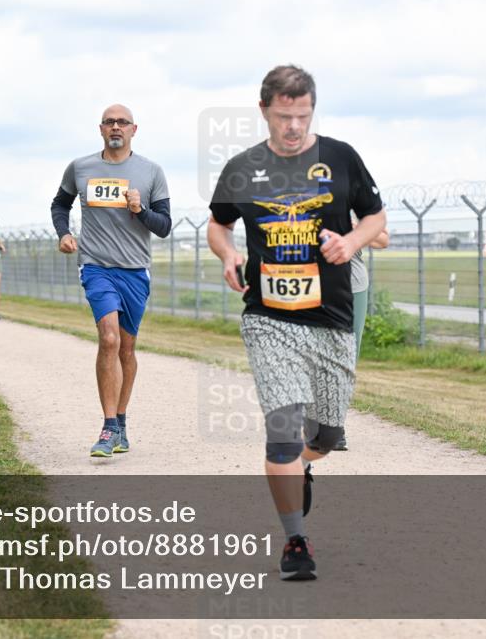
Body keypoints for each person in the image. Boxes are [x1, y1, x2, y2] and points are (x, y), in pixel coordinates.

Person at [206, 65, 386, 580]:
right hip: (269, 319)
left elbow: (376, 217)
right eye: (284, 116)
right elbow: (218, 223)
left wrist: (351, 242)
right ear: (264, 110)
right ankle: (295, 541)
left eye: (302, 116)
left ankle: (306, 463)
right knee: (282, 434)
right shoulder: (242, 167)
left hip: (331, 318)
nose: (293, 127)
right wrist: (227, 254)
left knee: (326, 436)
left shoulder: (340, 157)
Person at [51, 103, 172, 458]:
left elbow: (163, 227)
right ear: (100, 129)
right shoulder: (81, 167)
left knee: (127, 348)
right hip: (96, 266)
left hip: (135, 270)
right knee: (108, 338)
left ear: (134, 129)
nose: (116, 127)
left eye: (122, 122)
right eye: (109, 122)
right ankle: (107, 427)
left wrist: (140, 210)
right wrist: (64, 233)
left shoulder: (151, 172)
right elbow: (60, 204)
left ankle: (120, 422)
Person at [333, 221, 389, 451]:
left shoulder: (356, 194)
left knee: (347, 357)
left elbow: (383, 240)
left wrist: (354, 227)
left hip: (352, 287)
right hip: (312, 286)